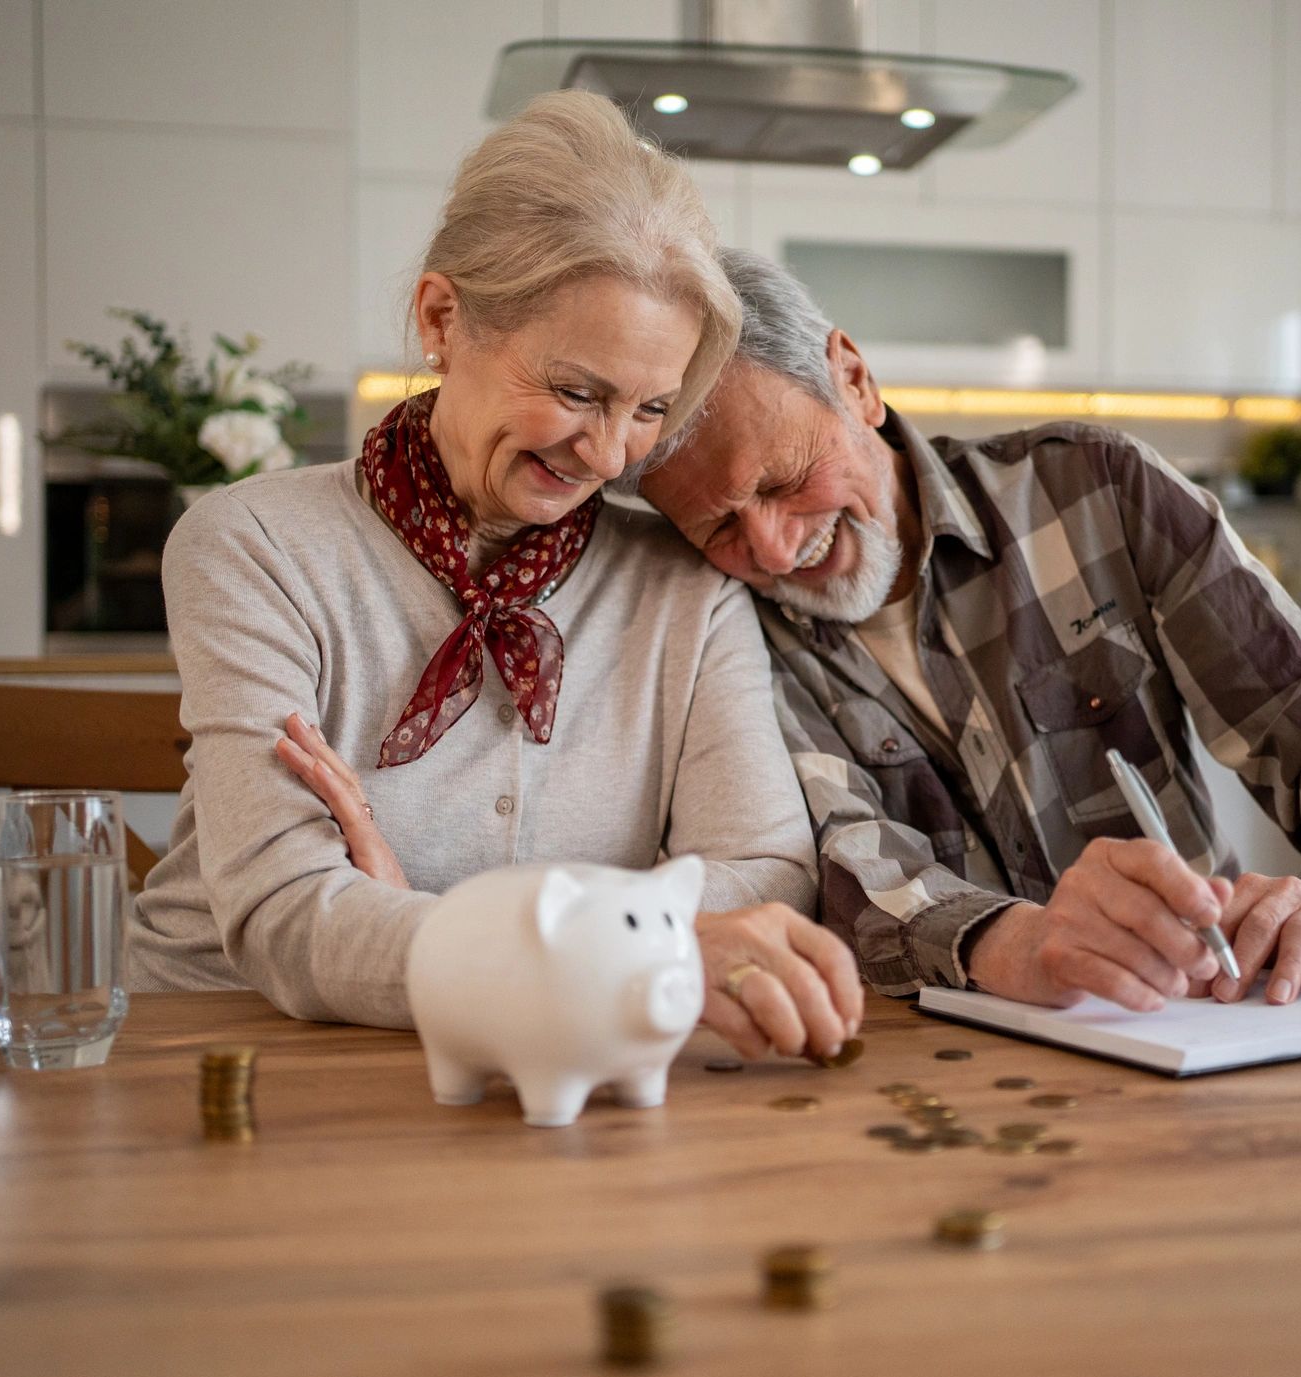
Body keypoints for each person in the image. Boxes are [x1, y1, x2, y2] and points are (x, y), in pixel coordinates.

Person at [127, 95, 862, 1064]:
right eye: (573, 391)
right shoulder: (252, 545)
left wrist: (448, 928)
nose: (607, 452)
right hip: (227, 1056)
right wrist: (622, 941)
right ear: (443, 318)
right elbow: (287, 913)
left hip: (549, 1069)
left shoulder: (688, 591)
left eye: (649, 408)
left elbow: (765, 875)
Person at [636, 249, 1301, 1014]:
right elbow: (847, 868)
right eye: (719, 528)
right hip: (933, 1069)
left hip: (1205, 1014)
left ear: (852, 381)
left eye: (783, 480)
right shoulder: (723, 624)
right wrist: (1020, 942)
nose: (774, 550)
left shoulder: (1094, 490)